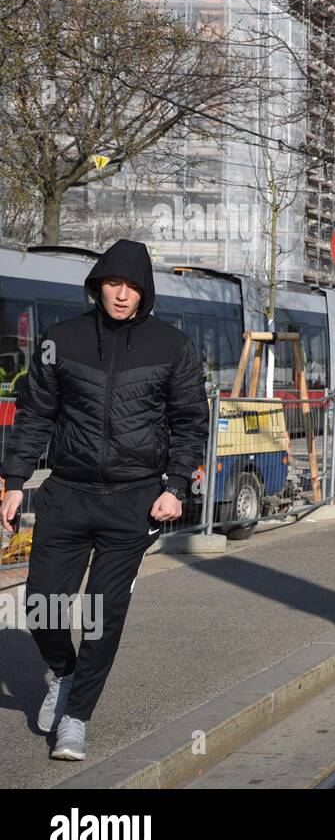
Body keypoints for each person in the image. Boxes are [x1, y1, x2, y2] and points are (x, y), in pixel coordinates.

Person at [0, 238, 207, 761]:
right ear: (98, 286)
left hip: (133, 501)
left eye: (132, 286)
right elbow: (35, 414)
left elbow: (189, 422)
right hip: (66, 494)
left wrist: (175, 486)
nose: (122, 294)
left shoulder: (173, 346)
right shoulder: (60, 339)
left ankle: (75, 718)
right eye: (114, 283)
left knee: (102, 613)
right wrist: (13, 481)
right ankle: (64, 675)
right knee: (42, 606)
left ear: (145, 292)